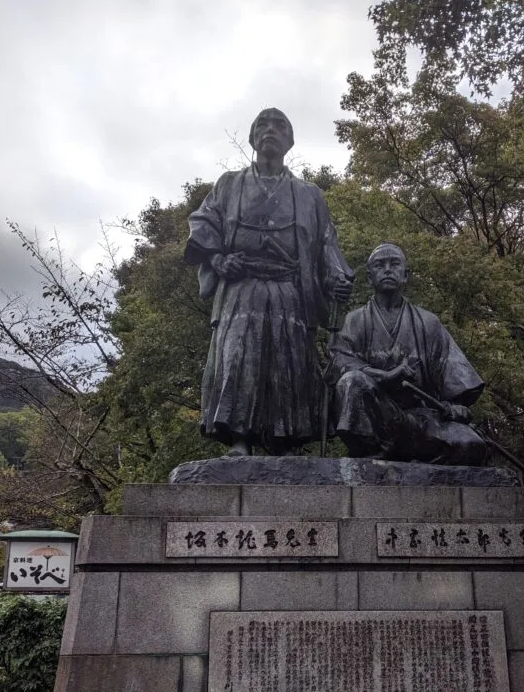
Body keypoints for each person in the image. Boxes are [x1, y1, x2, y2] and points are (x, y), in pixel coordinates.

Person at [185, 108, 353, 455]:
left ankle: (286, 438)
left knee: (287, 360)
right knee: (237, 356)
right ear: (252, 139)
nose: (270, 130)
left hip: (290, 288)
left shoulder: (309, 195)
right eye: (263, 124)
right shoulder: (229, 184)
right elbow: (203, 223)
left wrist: (337, 277)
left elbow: (326, 242)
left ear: (290, 142)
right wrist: (218, 259)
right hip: (240, 286)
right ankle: (238, 438)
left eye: (280, 126)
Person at [327, 243, 486, 464]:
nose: (387, 270)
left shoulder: (428, 323)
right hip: (375, 416)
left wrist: (457, 406)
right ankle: (374, 454)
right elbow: (339, 362)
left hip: (420, 420)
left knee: (472, 445)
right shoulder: (354, 320)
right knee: (352, 381)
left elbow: (454, 377)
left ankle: (413, 463)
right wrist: (385, 376)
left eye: (394, 264)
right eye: (379, 265)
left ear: (405, 276)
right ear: (369, 277)